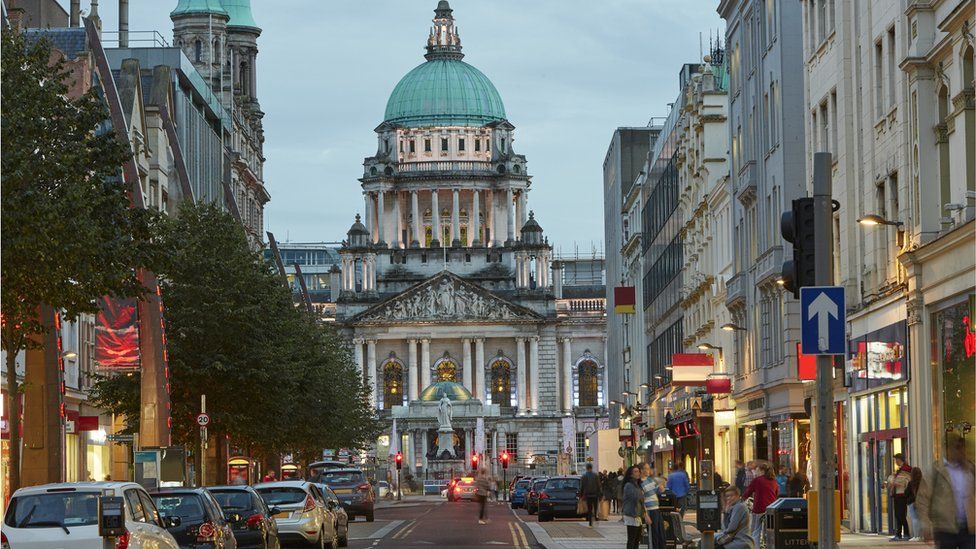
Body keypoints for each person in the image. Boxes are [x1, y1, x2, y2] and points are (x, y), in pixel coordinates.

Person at [916, 433, 975, 549]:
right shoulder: (936, 471)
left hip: (969, 528)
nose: (961, 451)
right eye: (957, 447)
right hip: (945, 529)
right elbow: (923, 499)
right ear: (947, 448)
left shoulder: (971, 470)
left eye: (963, 447)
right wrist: (925, 524)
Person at [742, 462, 778, 546]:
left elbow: (748, 491)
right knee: (769, 530)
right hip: (770, 509)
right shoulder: (773, 481)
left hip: (759, 508)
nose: (756, 472)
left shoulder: (757, 480)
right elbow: (776, 494)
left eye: (757, 470)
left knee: (755, 530)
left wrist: (741, 499)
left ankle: (755, 547)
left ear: (762, 471)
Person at [886, 453, 913, 541]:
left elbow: (907, 481)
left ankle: (905, 533)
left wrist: (895, 482)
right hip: (897, 494)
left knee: (901, 515)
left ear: (899, 459)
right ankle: (899, 534)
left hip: (902, 495)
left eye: (896, 460)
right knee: (898, 515)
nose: (895, 462)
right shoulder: (900, 470)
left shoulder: (906, 469)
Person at [641, 463, 666, 549]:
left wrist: (660, 489)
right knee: (653, 534)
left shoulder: (650, 480)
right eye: (646, 469)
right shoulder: (640, 483)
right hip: (650, 510)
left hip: (656, 509)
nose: (649, 470)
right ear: (642, 470)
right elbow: (641, 500)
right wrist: (646, 514)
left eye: (649, 468)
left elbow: (657, 491)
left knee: (660, 533)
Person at [621, 465, 645, 549]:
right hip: (631, 514)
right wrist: (642, 493)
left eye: (638, 471)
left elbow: (641, 500)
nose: (638, 473)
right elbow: (635, 497)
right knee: (632, 539)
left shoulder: (638, 485)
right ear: (631, 474)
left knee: (637, 539)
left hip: (638, 515)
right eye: (635, 471)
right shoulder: (629, 485)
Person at [581, 463, 602, 527]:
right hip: (595, 494)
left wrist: (581, 494)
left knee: (589, 509)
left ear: (587, 468)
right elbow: (599, 485)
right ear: (591, 468)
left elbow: (582, 486)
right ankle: (595, 515)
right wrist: (600, 493)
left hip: (588, 495)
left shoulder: (584, 476)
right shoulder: (595, 475)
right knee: (595, 507)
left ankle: (590, 521)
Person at [907, 466, 923, 542]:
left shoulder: (911, 483)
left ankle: (916, 536)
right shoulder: (923, 482)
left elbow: (906, 493)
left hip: (912, 502)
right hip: (921, 502)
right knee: (920, 519)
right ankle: (921, 536)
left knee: (915, 519)